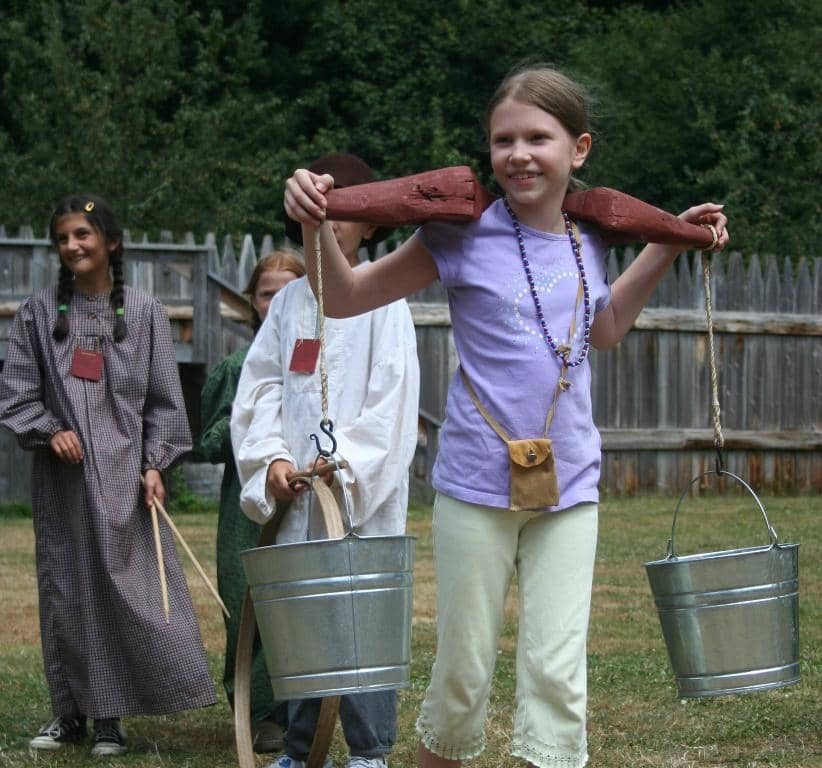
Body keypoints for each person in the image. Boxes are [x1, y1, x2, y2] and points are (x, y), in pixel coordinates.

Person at [283, 66, 730, 768]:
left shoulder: (589, 239)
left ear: (578, 148)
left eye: (538, 138)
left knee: (558, 677)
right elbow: (344, 299)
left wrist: (669, 239)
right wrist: (315, 221)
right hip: (474, 486)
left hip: (570, 485)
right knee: (462, 676)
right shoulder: (458, 235)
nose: (519, 154)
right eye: (503, 140)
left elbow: (606, 327)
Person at [0, 194, 217, 756]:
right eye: (63, 238)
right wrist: (50, 429)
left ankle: (111, 717)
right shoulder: (38, 314)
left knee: (126, 591)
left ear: (110, 242)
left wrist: (155, 463)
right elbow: (17, 392)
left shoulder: (144, 313)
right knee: (67, 588)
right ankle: (70, 712)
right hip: (64, 482)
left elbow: (165, 400)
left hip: (126, 480)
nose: (72, 245)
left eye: (83, 234)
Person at [231, 153, 421, 768]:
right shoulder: (288, 305)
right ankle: (300, 746)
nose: (332, 221)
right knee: (302, 619)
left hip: (359, 500)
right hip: (296, 497)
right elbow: (260, 390)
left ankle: (368, 750)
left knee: (363, 615)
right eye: (322, 209)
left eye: (346, 210)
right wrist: (272, 460)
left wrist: (344, 468)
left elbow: (392, 400)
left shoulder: (385, 301)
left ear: (370, 224)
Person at [198, 249, 305, 753]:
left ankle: (300, 709)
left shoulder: (319, 360)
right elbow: (209, 440)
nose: (276, 302)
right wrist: (248, 426)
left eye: (287, 291)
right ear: (251, 301)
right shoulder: (235, 368)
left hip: (305, 499)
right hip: (248, 505)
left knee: (299, 602)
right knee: (250, 603)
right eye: (266, 293)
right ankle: (257, 711)